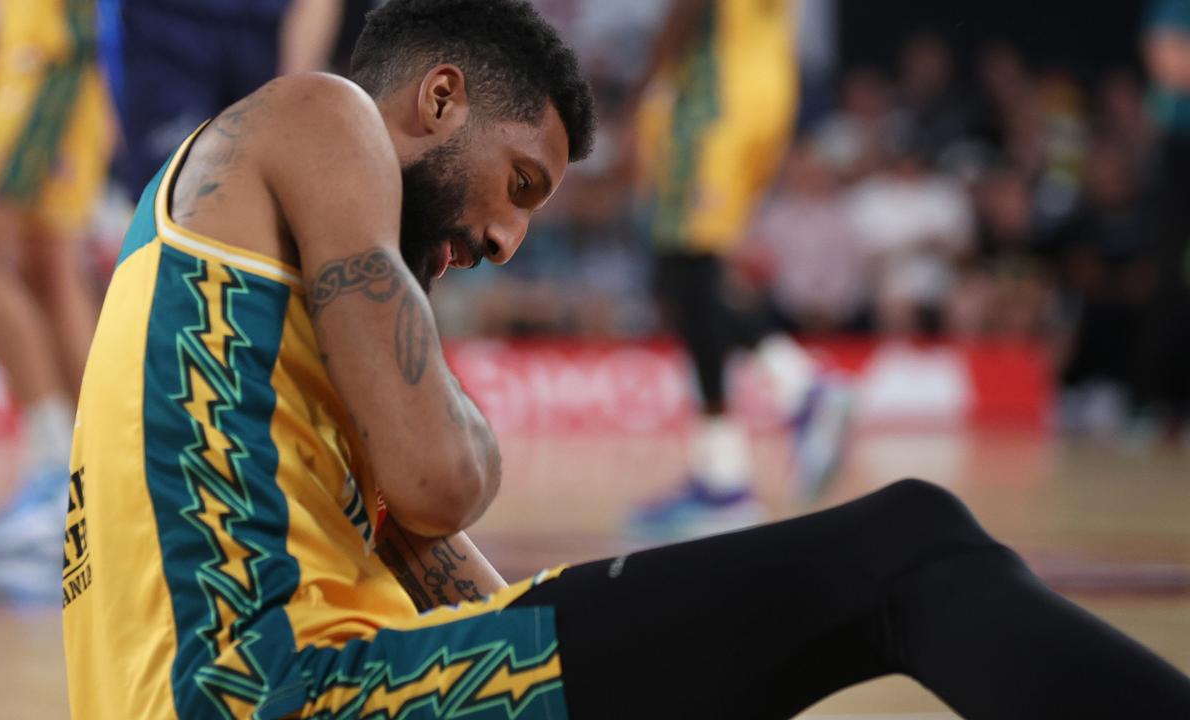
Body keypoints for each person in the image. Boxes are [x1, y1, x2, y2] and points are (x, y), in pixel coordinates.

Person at [63, 1, 1190, 717]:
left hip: (307, 685)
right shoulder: (324, 115)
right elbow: (441, 479)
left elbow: (473, 591)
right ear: (438, 97)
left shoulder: (281, 336)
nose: (506, 243)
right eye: (520, 186)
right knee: (907, 545)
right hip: (281, 695)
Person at [624, 0, 852, 539]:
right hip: (763, 86)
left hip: (714, 97)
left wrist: (646, 89)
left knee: (688, 271)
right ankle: (722, 474)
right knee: (684, 278)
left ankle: (802, 388)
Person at [0, 0, 112, 555]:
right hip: (57, 63)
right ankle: (98, 475)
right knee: (49, 269)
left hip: (50, 63)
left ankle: (56, 469)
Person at [98, 0, 345, 201]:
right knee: (169, 197)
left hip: (267, 41)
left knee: (264, 203)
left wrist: (293, 89)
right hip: (165, 40)